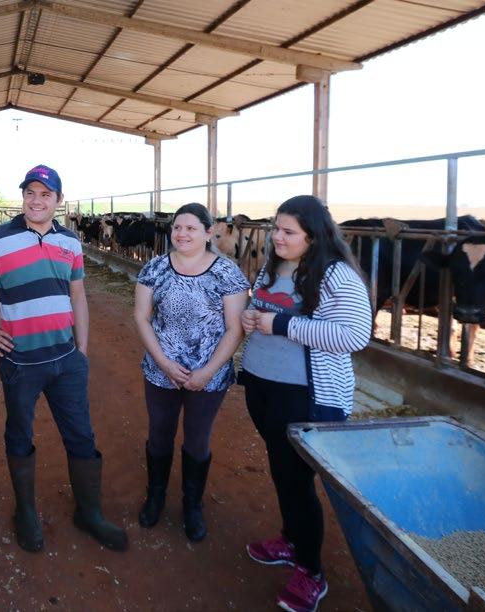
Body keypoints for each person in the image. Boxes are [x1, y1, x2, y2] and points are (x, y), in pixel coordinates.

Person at [0, 164, 128, 553]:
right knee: (20, 433)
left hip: (66, 358)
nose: (36, 200)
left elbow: (79, 294)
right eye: (30, 193)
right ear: (23, 197)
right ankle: (26, 513)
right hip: (20, 361)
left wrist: (81, 351)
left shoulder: (70, 242)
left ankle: (89, 512)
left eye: (45, 194)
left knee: (82, 435)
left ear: (58, 200)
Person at [239, 195, 372, 612]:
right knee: (282, 470)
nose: (277, 237)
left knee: (296, 480)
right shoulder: (274, 266)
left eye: (288, 231)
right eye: (275, 228)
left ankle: (311, 571)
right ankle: (290, 539)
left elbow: (354, 336)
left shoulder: (336, 277)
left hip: (307, 396)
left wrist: (281, 324)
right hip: (263, 385)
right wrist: (250, 316)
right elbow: (261, 307)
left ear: (314, 236)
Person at [133, 203, 249, 541]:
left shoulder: (228, 273)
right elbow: (141, 316)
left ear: (208, 233)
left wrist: (208, 371)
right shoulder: (155, 268)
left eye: (191, 228)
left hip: (208, 375)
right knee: (159, 434)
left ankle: (192, 505)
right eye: (177, 228)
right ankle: (155, 496)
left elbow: (234, 329)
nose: (181, 234)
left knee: (197, 440)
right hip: (160, 369)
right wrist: (164, 363)